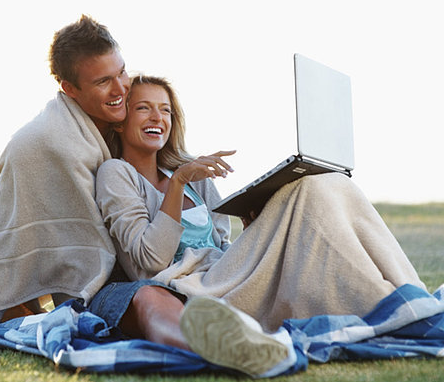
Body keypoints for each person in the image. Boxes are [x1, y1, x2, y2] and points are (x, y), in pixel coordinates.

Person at [0, 16, 287, 376]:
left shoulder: (185, 170)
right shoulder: (54, 145)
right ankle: (221, 349)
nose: (121, 87)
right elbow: (43, 241)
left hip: (202, 278)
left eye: (121, 72)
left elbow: (221, 244)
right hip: (134, 284)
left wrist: (253, 232)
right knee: (148, 295)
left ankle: (250, 333)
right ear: (68, 88)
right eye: (104, 81)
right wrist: (11, 318)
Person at [95, 75, 427, 340]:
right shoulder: (118, 174)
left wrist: (254, 228)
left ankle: (404, 294)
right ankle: (392, 306)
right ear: (121, 122)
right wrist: (178, 182)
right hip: (189, 288)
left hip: (226, 275)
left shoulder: (196, 178)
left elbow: (222, 248)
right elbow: (148, 265)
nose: (157, 117)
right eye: (144, 108)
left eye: (165, 109)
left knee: (328, 183)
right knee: (310, 190)